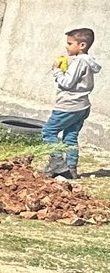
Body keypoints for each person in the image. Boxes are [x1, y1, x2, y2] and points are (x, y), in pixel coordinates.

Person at [43, 27, 95, 180]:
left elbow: (67, 82)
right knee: (70, 136)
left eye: (70, 43)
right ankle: (71, 168)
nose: (67, 47)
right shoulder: (87, 62)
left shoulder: (79, 62)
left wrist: (57, 71)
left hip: (68, 106)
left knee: (48, 132)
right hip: (82, 106)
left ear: (82, 45)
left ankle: (57, 163)